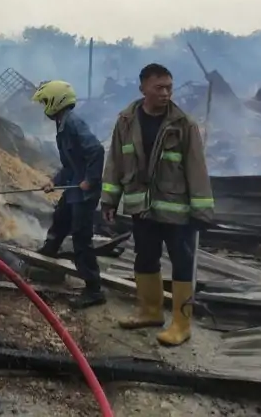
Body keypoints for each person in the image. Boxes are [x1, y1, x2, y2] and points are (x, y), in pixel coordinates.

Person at [100, 63, 214, 347]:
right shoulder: (126, 121)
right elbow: (114, 162)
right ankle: (150, 312)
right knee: (145, 258)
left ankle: (181, 324)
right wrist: (110, 200)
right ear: (143, 88)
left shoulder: (183, 124)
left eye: (169, 88)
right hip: (143, 209)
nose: (166, 94)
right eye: (159, 88)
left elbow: (196, 169)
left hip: (178, 212)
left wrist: (201, 212)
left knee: (182, 264)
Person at [31, 80, 106, 309]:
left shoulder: (73, 124)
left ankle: (93, 289)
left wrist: (90, 180)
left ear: (56, 101)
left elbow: (96, 150)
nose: (44, 107)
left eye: (45, 101)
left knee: (81, 238)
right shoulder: (62, 126)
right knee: (61, 217)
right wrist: (54, 182)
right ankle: (50, 250)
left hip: (84, 192)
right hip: (74, 186)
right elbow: (69, 165)